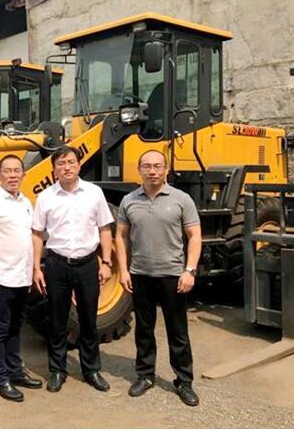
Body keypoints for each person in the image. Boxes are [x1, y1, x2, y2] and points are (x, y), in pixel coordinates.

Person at [115, 149, 202, 406]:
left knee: (178, 331)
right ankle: (145, 376)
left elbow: (194, 236)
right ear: (139, 170)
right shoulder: (129, 200)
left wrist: (190, 270)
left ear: (166, 169)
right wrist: (123, 270)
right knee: (144, 329)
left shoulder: (182, 199)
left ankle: (184, 381)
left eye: (157, 166)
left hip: (173, 276)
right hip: (140, 275)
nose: (152, 171)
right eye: (147, 166)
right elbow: (120, 236)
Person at [32, 145, 114, 393]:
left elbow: (105, 228)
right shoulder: (45, 197)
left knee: (89, 319)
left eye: (70, 162)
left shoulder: (94, 193)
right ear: (54, 170)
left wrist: (107, 262)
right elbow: (37, 234)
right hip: (57, 264)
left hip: (87, 264)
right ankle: (57, 371)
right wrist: (36, 268)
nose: (66, 167)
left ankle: (91, 370)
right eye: (60, 164)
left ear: (79, 165)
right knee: (57, 320)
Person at [0, 154, 43, 402]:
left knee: (15, 327)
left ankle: (15, 371)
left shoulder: (26, 202)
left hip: (22, 276)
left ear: (24, 174)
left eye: (17, 171)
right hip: (0, 277)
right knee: (0, 330)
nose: (13, 175)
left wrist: (34, 268)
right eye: (7, 171)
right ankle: (1, 379)